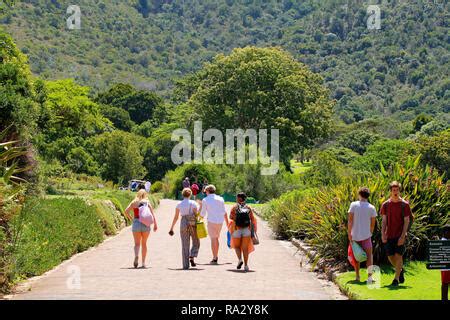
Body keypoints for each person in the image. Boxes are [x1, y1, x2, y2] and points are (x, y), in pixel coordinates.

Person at [381, 181, 411, 286]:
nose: (395, 192)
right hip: (389, 234)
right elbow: (384, 221)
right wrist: (383, 233)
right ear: (390, 191)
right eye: (393, 190)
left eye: (397, 190)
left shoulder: (404, 205)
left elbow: (407, 220)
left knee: (398, 256)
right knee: (390, 256)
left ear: (399, 191)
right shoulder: (385, 205)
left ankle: (396, 279)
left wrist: (403, 235)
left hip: (400, 235)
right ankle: (400, 270)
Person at [347, 187, 377, 283]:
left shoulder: (353, 205)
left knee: (356, 256)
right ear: (368, 196)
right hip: (366, 235)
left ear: (359, 194)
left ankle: (357, 276)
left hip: (355, 235)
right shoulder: (372, 207)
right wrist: (370, 232)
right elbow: (373, 223)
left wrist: (349, 233)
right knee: (369, 256)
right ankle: (369, 277)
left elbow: (350, 221)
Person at [124, 189, 158, 268]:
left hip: (136, 223)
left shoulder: (134, 202)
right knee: (144, 243)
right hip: (146, 224)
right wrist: (155, 224)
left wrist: (131, 219)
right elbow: (152, 214)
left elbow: (126, 211)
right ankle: (143, 263)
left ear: (138, 194)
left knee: (137, 244)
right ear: (145, 194)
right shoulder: (147, 202)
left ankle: (136, 256)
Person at [169, 188, 200, 270]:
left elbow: (176, 217)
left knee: (185, 244)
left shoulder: (179, 204)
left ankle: (185, 265)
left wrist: (172, 228)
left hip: (183, 222)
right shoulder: (193, 203)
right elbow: (197, 214)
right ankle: (192, 254)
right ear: (190, 194)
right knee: (196, 241)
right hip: (192, 222)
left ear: (182, 194)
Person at [200, 185, 229, 264]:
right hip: (220, 221)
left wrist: (198, 220)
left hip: (211, 221)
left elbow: (203, 213)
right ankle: (216, 256)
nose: (205, 192)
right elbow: (224, 212)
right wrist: (227, 223)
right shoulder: (221, 199)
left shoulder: (205, 200)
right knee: (216, 238)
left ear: (208, 191)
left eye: (205, 191)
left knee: (213, 239)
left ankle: (215, 257)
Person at [229, 192, 257, 272]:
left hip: (236, 229)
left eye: (237, 197)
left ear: (239, 198)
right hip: (246, 230)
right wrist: (253, 230)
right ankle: (246, 265)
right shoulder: (248, 207)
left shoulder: (235, 207)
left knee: (237, 246)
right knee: (245, 248)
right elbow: (252, 218)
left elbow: (230, 217)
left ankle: (240, 259)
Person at [441, 225, 450, 301]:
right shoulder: (444, 242)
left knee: (445, 283)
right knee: (445, 283)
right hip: (446, 267)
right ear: (445, 232)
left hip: (445, 267)